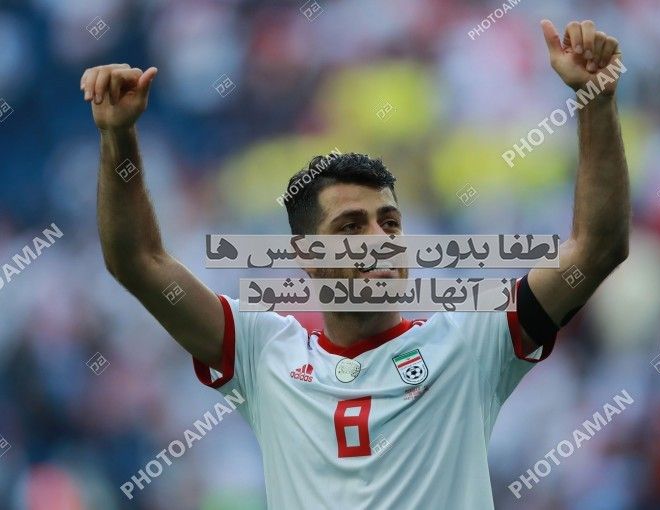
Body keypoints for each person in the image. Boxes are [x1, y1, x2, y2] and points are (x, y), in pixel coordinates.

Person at [82, 19, 629, 509]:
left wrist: (596, 100)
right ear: (306, 256)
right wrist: (118, 136)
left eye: (389, 223)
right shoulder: (263, 353)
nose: (379, 241)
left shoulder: (470, 343)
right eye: (350, 227)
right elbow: (138, 262)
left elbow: (597, 249)